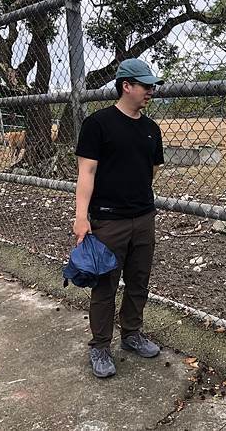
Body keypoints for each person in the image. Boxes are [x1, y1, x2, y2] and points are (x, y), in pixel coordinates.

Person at [73, 58, 165, 378]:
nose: (151, 91)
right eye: (146, 85)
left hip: (143, 218)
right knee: (105, 285)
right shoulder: (98, 124)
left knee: (139, 281)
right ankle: (100, 346)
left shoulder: (152, 129)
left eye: (152, 85)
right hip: (107, 221)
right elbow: (86, 172)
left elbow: (152, 170)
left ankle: (131, 335)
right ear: (127, 86)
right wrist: (81, 217)